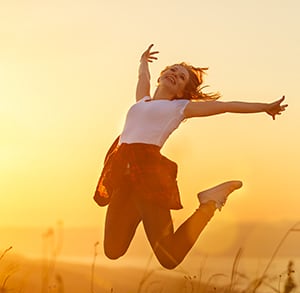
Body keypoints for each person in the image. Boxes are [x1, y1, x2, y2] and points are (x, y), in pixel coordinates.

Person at [94, 44, 287, 269]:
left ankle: (209, 203)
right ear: (161, 77)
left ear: (181, 92)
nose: (175, 74)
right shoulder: (141, 102)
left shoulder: (179, 108)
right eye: (172, 70)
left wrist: (264, 107)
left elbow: (226, 106)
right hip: (122, 178)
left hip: (148, 179)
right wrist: (143, 61)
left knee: (169, 257)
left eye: (181, 76)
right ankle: (141, 209)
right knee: (112, 250)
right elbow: (142, 80)